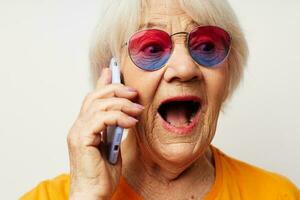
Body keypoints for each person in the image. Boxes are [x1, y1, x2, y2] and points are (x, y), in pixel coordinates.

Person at [21, 0, 299, 199]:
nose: (185, 69)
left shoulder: (279, 195)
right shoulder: (51, 197)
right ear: (114, 78)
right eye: (152, 47)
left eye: (206, 46)